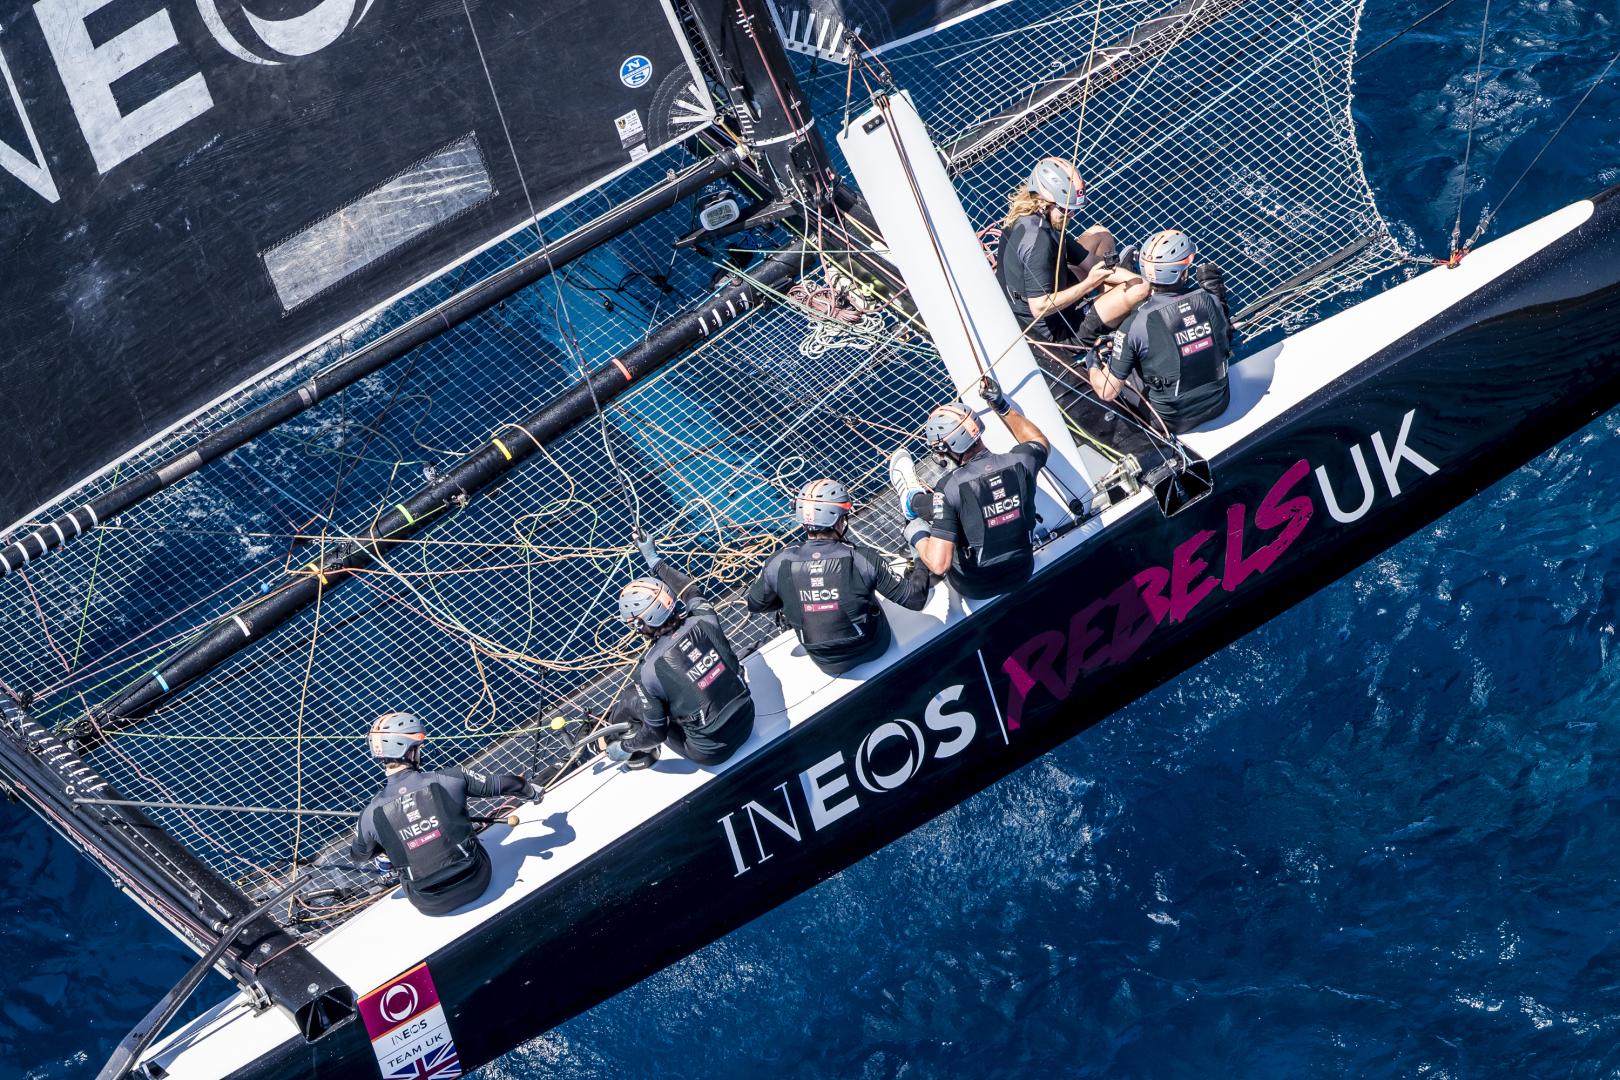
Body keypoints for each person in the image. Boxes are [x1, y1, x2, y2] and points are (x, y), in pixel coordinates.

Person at [350, 711, 540, 916]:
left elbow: (359, 855)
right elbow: (508, 784)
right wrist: (531, 792)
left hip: (429, 904)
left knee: (385, 844)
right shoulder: (451, 778)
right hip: (477, 880)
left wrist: (390, 839)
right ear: (410, 751)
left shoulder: (369, 815)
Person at [745, 478, 933, 675]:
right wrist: (920, 554)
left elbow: (755, 604)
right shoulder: (862, 559)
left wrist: (796, 599)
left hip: (827, 663)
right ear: (840, 521)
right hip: (874, 647)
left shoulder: (778, 562)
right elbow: (915, 599)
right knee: (863, 586)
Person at [890, 378, 1050, 600]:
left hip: (974, 587)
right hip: (1021, 573)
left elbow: (940, 564)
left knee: (921, 520)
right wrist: (1001, 405)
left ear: (946, 448)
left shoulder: (949, 488)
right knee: (949, 506)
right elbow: (1038, 440)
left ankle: (910, 502)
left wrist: (916, 535)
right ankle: (913, 501)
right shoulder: (1023, 461)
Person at [614, 530, 755, 767]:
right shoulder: (705, 618)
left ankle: (611, 743)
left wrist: (624, 747)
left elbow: (656, 733)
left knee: (632, 698)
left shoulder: (648, 672)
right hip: (747, 721)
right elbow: (690, 590)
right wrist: (654, 560)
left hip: (711, 753)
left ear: (640, 624)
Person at [995, 157, 1150, 350]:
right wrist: (1090, 283)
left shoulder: (1032, 218)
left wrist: (1132, 279)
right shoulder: (1039, 243)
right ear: (1045, 201)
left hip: (1049, 287)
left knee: (1100, 235)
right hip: (1055, 331)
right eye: (1066, 209)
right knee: (1138, 290)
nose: (1072, 215)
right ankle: (1109, 316)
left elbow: (1091, 262)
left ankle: (1109, 301)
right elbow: (1039, 307)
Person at [1088, 229, 1234, 433]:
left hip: (1171, 422)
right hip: (1219, 403)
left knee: (1126, 360)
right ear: (1183, 271)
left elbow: (1107, 392)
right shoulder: (1212, 300)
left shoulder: (1134, 325)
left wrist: (1093, 362)